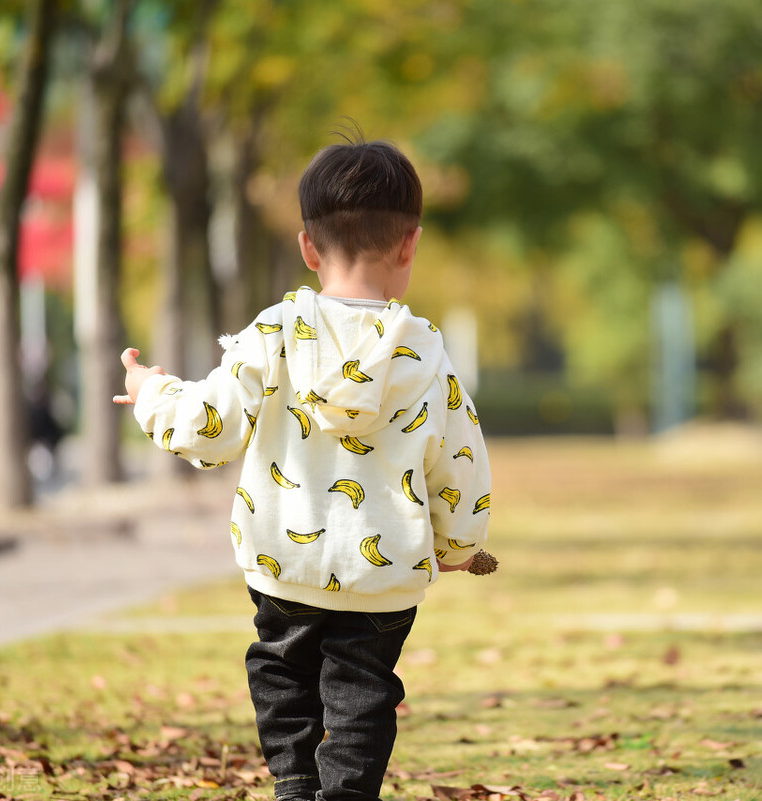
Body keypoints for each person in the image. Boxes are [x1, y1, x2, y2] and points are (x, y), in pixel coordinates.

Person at [113, 136, 491, 801]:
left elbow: (213, 422)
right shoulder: (426, 354)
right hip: (381, 578)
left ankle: (294, 785)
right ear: (409, 245)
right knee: (363, 694)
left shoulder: (276, 333)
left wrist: (151, 392)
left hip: (285, 560)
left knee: (280, 675)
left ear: (309, 248)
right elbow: (459, 459)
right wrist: (460, 543)